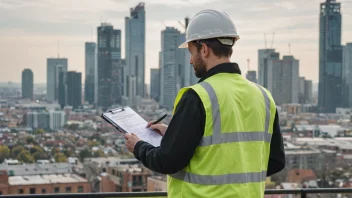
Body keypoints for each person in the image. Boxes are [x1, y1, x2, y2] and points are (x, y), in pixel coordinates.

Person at [125, 9, 285, 198]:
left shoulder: (198, 96)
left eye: (191, 52)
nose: (191, 60)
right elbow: (275, 161)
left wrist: (139, 146)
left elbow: (167, 162)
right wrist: (176, 135)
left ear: (204, 49)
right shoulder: (263, 96)